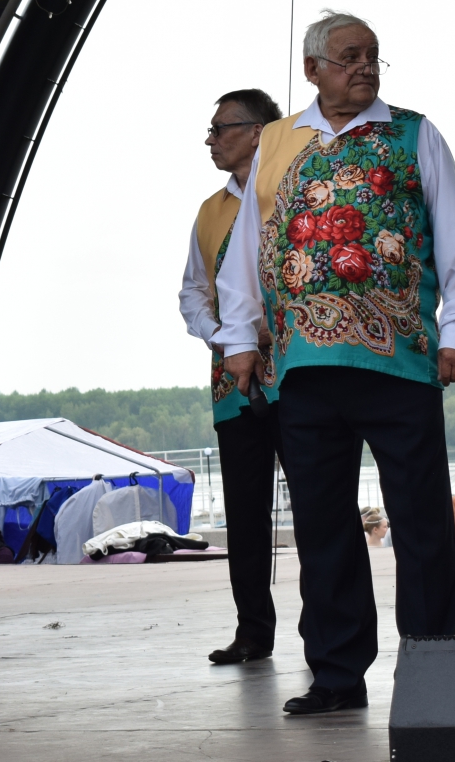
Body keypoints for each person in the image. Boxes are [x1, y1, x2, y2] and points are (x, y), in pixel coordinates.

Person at [217, 10, 455, 716]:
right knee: (323, 526)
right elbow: (248, 250)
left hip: (399, 359)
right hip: (302, 367)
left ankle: (432, 666)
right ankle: (337, 675)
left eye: (372, 56)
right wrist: (239, 341)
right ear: (313, 69)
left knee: (421, 520)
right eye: (349, 57)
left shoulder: (413, 133)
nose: (364, 67)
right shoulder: (278, 140)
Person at [177, 87, 284, 665]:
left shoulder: (290, 189)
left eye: (221, 129)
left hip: (298, 374)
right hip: (234, 381)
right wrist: (224, 337)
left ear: (258, 132)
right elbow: (192, 292)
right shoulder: (210, 210)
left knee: (323, 507)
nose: (210, 140)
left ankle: (330, 636)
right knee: (243, 514)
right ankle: (253, 632)